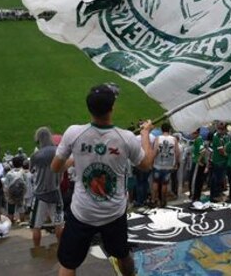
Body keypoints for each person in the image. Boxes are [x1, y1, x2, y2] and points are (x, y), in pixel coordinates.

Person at [51, 84, 156, 276]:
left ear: (88, 107)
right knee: (122, 255)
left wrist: (75, 158)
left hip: (82, 212)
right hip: (113, 213)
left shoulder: (73, 133)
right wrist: (145, 134)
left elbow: (55, 167)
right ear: (112, 107)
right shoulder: (125, 138)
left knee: (68, 263)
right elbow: (147, 164)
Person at [29, 126, 64, 248]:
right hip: (56, 192)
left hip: (40, 194)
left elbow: (31, 171)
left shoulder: (36, 155)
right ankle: (61, 247)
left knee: (36, 226)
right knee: (59, 223)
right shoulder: (58, 151)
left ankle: (37, 249)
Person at [151, 122, 179, 207]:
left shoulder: (158, 138)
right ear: (169, 129)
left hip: (158, 164)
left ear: (161, 130)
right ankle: (163, 200)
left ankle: (154, 199)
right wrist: (176, 163)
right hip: (168, 165)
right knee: (164, 184)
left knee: (155, 182)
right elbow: (177, 152)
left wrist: (151, 161)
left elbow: (155, 151)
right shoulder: (174, 139)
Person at [4, 157, 28, 223]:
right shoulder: (22, 172)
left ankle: (11, 221)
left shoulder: (9, 173)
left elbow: (6, 185)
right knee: (21, 208)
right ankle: (22, 221)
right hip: (20, 193)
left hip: (11, 194)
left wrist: (7, 195)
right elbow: (25, 183)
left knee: (11, 209)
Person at [190, 130, 212, 202]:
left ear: (197, 133)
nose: (192, 134)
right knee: (199, 180)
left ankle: (194, 195)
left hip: (198, 163)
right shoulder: (199, 139)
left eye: (193, 133)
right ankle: (197, 195)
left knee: (195, 179)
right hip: (200, 163)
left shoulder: (198, 140)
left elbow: (203, 151)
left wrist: (198, 160)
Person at [210, 122, 229, 201]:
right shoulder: (216, 137)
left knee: (220, 178)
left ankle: (218, 193)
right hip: (218, 161)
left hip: (222, 161)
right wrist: (229, 156)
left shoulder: (222, 137)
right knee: (217, 179)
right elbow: (221, 151)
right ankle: (215, 195)